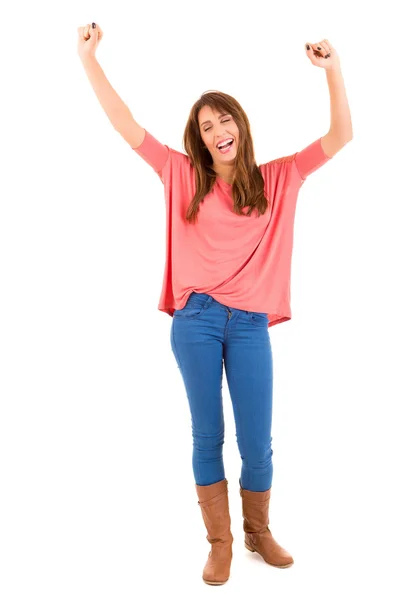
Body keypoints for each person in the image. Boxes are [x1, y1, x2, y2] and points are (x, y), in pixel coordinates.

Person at [77, 23, 353, 586]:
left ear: (239, 125)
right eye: (206, 127)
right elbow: (125, 124)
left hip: (251, 326)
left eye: (224, 119)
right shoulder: (181, 174)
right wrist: (89, 62)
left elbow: (341, 135)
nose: (217, 130)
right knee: (208, 436)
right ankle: (220, 543)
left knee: (258, 440)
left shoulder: (278, 178)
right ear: (199, 140)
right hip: (196, 322)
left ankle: (258, 532)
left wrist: (333, 70)